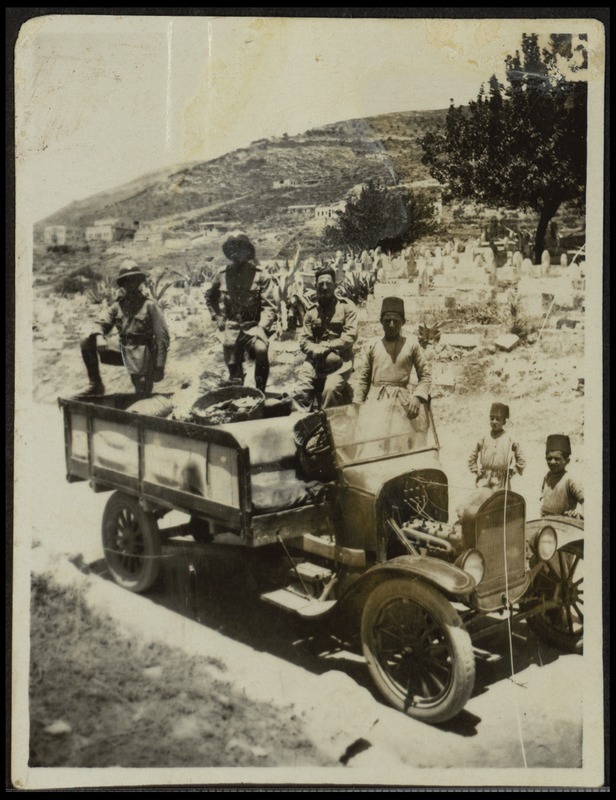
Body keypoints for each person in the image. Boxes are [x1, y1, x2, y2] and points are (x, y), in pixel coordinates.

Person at [78, 261, 170, 397]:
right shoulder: (118, 306)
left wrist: (159, 366)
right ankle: (95, 384)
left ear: (139, 282)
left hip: (143, 354)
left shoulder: (150, 306)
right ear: (123, 284)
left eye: (134, 280)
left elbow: (162, 337)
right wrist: (99, 336)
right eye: (127, 281)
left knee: (141, 393)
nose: (131, 284)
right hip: (123, 349)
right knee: (86, 340)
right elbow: (99, 323)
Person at [205, 233, 277, 391]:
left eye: (239, 248)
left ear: (247, 251)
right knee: (233, 369)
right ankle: (239, 394)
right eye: (232, 249)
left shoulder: (260, 274)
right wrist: (216, 316)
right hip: (231, 327)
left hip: (253, 326)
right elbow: (210, 297)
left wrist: (262, 327)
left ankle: (260, 390)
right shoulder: (222, 274)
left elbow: (269, 306)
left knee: (261, 350)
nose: (235, 253)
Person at [356, 296, 431, 419]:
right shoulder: (373, 345)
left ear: (403, 322)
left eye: (396, 321)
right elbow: (363, 380)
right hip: (376, 402)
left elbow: (425, 375)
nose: (391, 325)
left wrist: (417, 397)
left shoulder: (411, 344)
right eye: (387, 320)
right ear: (381, 321)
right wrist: (356, 406)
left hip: (402, 404)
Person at [295, 265, 358, 410]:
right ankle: (302, 424)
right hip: (315, 360)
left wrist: (327, 346)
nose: (324, 287)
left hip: (341, 361)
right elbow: (304, 341)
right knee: (300, 391)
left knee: (329, 391)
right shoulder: (311, 312)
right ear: (316, 286)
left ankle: (325, 426)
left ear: (335, 285)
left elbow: (350, 337)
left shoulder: (347, 307)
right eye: (320, 284)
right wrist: (316, 350)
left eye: (328, 283)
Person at [467, 402, 526, 490]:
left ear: (504, 422)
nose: (494, 421)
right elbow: (472, 455)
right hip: (484, 478)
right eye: (492, 418)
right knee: (481, 500)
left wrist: (514, 470)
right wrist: (475, 469)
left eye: (498, 419)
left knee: (498, 501)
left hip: (501, 481)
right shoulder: (484, 437)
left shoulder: (509, 439)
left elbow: (521, 458)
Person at [540, 434, 584, 518]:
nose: (552, 462)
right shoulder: (547, 477)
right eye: (549, 458)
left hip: (563, 525)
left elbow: (587, 503)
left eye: (557, 459)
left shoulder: (570, 480)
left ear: (567, 461)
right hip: (546, 524)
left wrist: (579, 514)